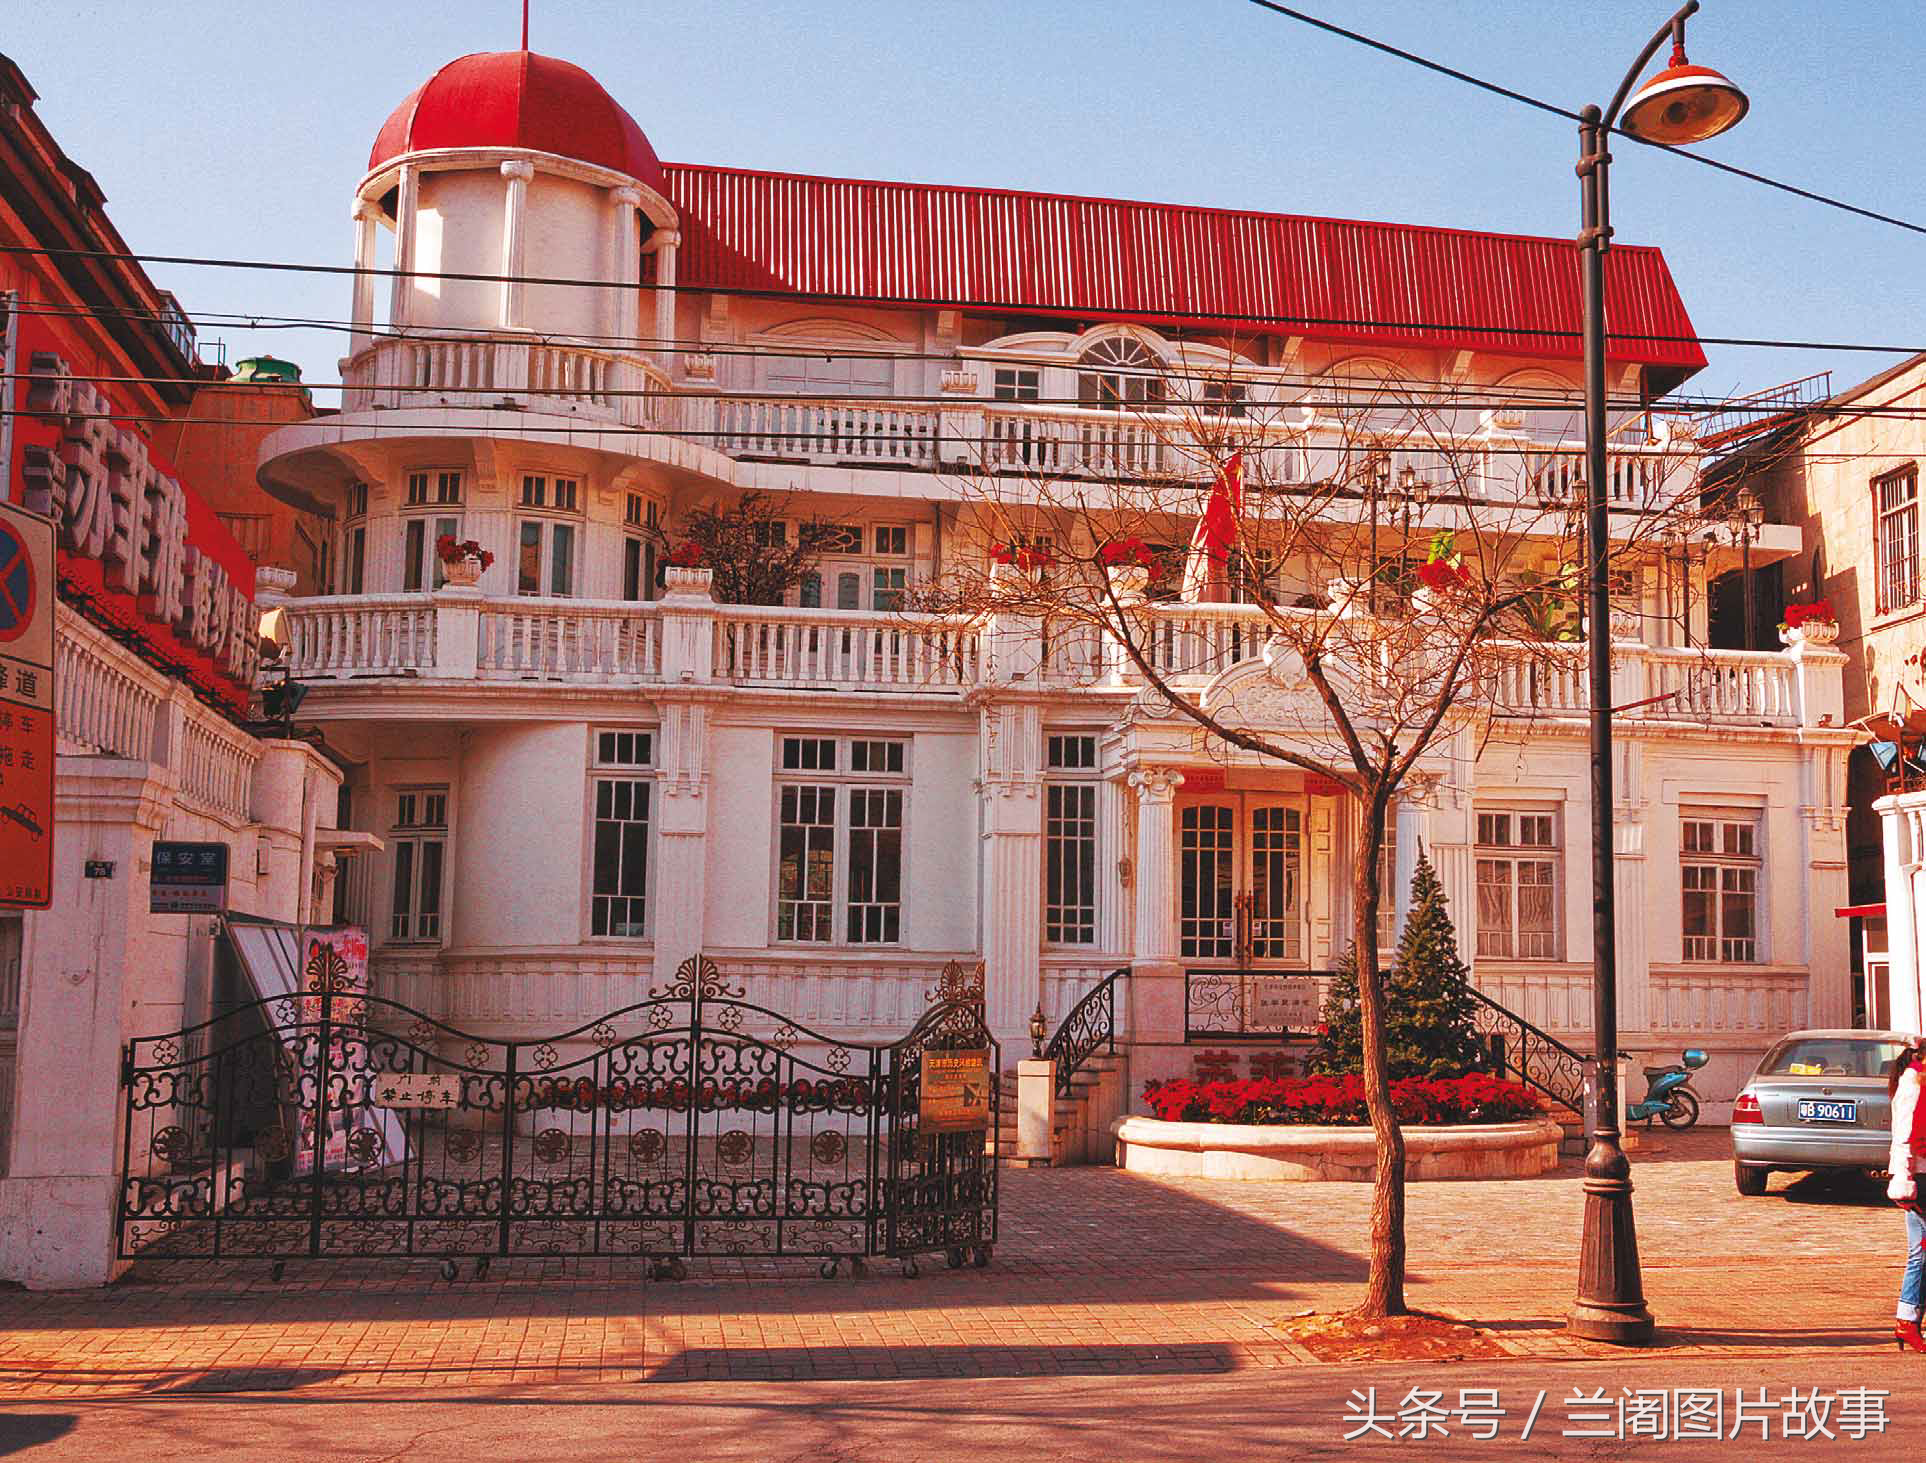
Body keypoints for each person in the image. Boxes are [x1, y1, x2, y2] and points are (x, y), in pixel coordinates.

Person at [1889, 1037, 1926, 1353]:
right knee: (1921, 1253)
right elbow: (1904, 1136)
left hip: (1919, 1173)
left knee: (1921, 1251)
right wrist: (1905, 1179)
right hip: (1920, 1176)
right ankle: (1907, 1320)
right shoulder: (1914, 1084)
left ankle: (1908, 1320)